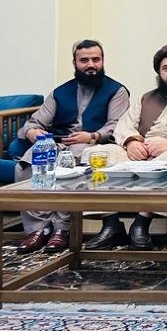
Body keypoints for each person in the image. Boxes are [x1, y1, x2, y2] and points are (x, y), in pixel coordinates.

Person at [83, 43, 167, 251]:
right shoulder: (145, 98)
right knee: (94, 154)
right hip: (140, 149)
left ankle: (141, 223)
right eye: (166, 68)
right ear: (159, 73)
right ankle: (110, 223)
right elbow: (124, 125)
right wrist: (131, 142)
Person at [13, 39, 129, 254]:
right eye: (84, 60)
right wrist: (33, 132)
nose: (91, 65)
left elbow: (116, 125)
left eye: (96, 59)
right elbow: (34, 122)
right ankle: (39, 229)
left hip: (92, 145)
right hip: (58, 142)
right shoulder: (60, 92)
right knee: (27, 163)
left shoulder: (117, 91)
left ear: (103, 61)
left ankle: (62, 228)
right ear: (75, 63)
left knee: (71, 166)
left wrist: (92, 135)